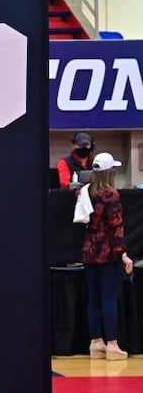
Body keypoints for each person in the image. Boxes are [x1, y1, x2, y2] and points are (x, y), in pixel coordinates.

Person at [83, 152, 128, 361]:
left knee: (93, 298)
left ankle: (96, 342)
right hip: (108, 252)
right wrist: (124, 255)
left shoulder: (85, 192)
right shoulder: (111, 195)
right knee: (109, 298)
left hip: (89, 251)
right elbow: (115, 228)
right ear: (110, 172)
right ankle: (112, 344)